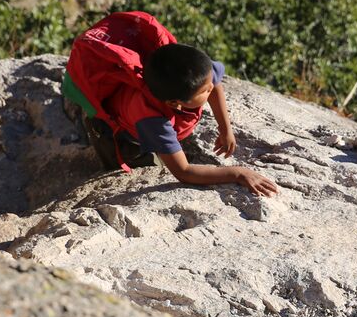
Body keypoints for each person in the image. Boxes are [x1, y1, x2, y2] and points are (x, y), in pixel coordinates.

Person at [63, 11, 279, 197]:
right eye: (204, 91)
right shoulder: (152, 119)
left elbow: (215, 85)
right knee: (135, 164)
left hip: (140, 110)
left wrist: (226, 129)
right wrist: (238, 173)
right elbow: (184, 171)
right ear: (175, 103)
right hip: (118, 132)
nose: (211, 87)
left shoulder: (193, 72)